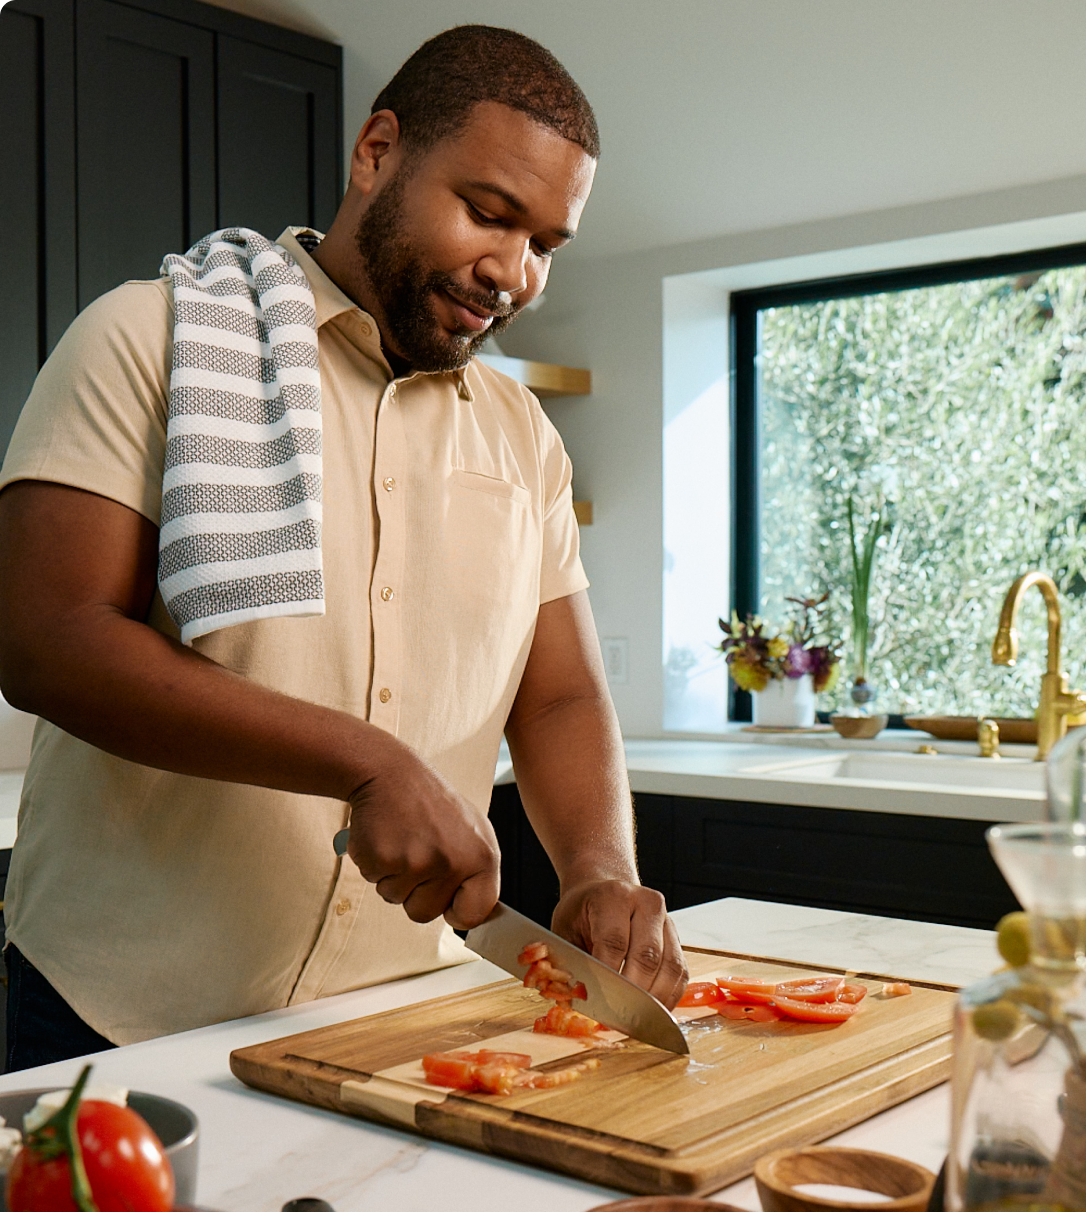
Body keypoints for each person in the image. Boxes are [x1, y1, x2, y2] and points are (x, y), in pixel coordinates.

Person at [0, 25, 687, 1070]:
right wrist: (364, 764)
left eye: (547, 244)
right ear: (376, 154)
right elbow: (45, 639)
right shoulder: (147, 339)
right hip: (119, 1016)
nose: (514, 272)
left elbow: (559, 698)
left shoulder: (525, 441)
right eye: (490, 214)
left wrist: (596, 867)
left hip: (402, 1024)